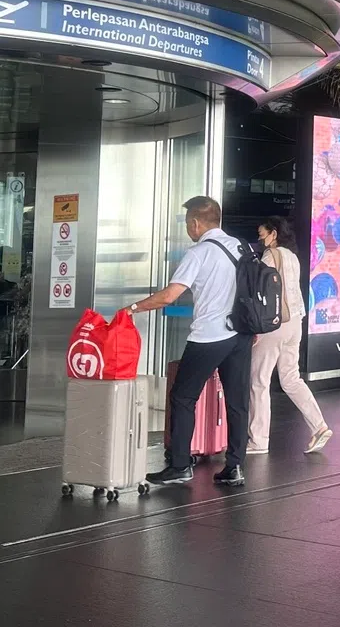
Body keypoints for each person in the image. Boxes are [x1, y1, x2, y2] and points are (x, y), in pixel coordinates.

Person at [122, 196, 251, 487]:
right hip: (240, 334)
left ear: (195, 223)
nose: (187, 229)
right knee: (237, 401)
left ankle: (180, 465)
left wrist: (132, 308)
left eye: (186, 223)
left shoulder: (199, 252)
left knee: (182, 397)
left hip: (209, 336)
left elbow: (170, 296)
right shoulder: (240, 246)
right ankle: (234, 466)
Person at [248, 216, 332, 454]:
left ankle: (258, 440)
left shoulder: (270, 256)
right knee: (291, 378)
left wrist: (256, 326)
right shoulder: (293, 257)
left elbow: (263, 292)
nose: (260, 239)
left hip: (274, 323)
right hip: (296, 322)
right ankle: (319, 426)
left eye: (262, 234)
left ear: (273, 234)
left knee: (259, 381)